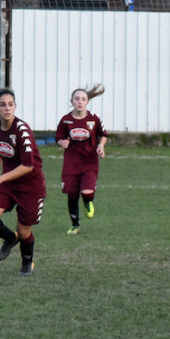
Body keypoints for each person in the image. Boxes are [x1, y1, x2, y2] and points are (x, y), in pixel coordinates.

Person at [0, 88, 46, 276]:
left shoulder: (22, 131)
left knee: (24, 231)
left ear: (15, 107)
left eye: (10, 104)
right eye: (2, 105)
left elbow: (28, 166)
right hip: (8, 182)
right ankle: (10, 239)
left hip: (30, 186)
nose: (7, 108)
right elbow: (1, 149)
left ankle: (27, 263)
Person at [55, 84, 109, 235]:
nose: (80, 102)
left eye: (83, 99)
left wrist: (101, 146)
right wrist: (62, 142)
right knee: (72, 193)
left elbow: (103, 134)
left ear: (87, 102)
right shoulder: (66, 120)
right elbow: (58, 137)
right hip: (71, 162)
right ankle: (75, 224)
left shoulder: (93, 119)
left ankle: (87, 201)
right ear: (72, 101)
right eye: (77, 99)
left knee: (86, 192)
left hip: (89, 161)